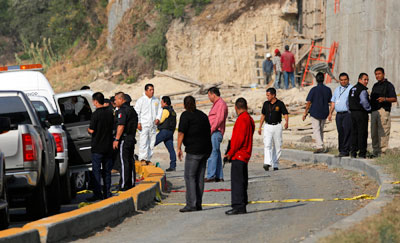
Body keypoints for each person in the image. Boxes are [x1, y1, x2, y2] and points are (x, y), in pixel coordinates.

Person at [177, 96, 212, 212]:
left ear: (184, 105)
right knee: (200, 177)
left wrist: (178, 148)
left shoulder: (185, 115)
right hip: (205, 149)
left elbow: (181, 133)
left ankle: (191, 204)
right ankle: (198, 203)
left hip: (194, 151)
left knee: (190, 176)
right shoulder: (202, 115)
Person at [224, 98, 255, 215]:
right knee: (242, 181)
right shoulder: (250, 119)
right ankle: (242, 203)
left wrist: (229, 153)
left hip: (239, 155)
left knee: (237, 182)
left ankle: (238, 206)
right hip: (245, 154)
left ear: (236, 108)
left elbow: (238, 140)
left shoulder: (242, 119)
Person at [87, 92, 114, 201]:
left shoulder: (95, 114)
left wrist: (88, 130)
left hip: (97, 147)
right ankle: (107, 192)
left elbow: (92, 130)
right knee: (107, 171)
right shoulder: (109, 113)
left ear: (95, 101)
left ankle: (97, 193)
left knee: (96, 171)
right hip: (108, 146)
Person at [258, 88, 289, 171]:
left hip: (277, 126)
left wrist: (286, 122)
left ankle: (275, 164)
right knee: (267, 144)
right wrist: (260, 127)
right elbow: (263, 115)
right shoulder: (265, 104)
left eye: (268, 95)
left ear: (273, 95)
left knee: (277, 145)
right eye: (266, 95)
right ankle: (267, 163)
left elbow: (285, 113)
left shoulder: (280, 104)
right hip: (267, 126)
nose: (267, 97)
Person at [113, 92, 138, 191]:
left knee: (124, 162)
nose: (115, 102)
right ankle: (131, 182)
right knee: (130, 160)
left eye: (116, 100)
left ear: (121, 99)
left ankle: (123, 184)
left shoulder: (122, 111)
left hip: (124, 138)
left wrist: (116, 139)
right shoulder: (132, 110)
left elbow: (121, 125)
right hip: (131, 138)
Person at [370, 67, 397, 157]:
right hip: (374, 111)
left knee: (383, 132)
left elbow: (394, 99)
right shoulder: (375, 85)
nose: (377, 76)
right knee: (374, 132)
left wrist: (384, 99)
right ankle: (375, 151)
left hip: (383, 111)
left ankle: (383, 153)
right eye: (376, 74)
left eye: (379, 74)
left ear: (383, 74)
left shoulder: (389, 85)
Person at [303, 72, 332, 153]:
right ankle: (320, 145)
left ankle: (320, 146)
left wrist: (305, 112)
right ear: (323, 79)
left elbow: (308, 102)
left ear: (316, 79)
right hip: (324, 112)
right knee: (321, 129)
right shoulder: (328, 90)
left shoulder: (313, 89)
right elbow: (330, 101)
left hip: (315, 112)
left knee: (316, 130)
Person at [205, 87, 228, 183]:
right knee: (217, 154)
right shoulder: (216, 104)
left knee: (212, 153)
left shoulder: (221, 104)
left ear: (213, 94)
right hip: (214, 131)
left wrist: (211, 129)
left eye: (209, 96)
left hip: (216, 132)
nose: (209, 98)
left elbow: (219, 119)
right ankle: (219, 176)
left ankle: (211, 175)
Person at [134, 84, 162, 164]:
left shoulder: (156, 100)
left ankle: (148, 159)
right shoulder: (141, 100)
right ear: (146, 91)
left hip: (153, 125)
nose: (152, 91)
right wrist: (138, 122)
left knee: (151, 142)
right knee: (143, 142)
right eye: (150, 90)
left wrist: (158, 118)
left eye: (153, 89)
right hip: (144, 124)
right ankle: (142, 159)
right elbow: (137, 112)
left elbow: (160, 110)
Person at [328, 72, 353, 157]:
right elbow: (333, 102)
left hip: (347, 113)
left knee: (347, 131)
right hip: (339, 114)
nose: (343, 81)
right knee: (340, 132)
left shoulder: (351, 88)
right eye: (341, 80)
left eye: (345, 80)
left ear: (348, 80)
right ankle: (341, 149)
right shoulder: (337, 89)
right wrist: (330, 113)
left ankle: (346, 150)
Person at [349, 73, 371, 158]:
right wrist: (369, 109)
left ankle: (353, 152)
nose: (366, 81)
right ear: (359, 80)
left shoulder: (352, 89)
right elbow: (364, 102)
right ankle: (362, 153)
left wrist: (351, 111)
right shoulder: (362, 90)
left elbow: (348, 103)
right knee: (362, 133)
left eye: (367, 80)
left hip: (353, 114)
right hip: (361, 113)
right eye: (365, 79)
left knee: (354, 133)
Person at [154, 96, 177, 172]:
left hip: (164, 132)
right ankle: (173, 166)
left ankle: (143, 158)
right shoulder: (173, 111)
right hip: (170, 132)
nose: (161, 103)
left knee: (151, 144)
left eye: (161, 102)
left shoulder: (165, 111)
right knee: (171, 150)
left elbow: (160, 120)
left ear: (165, 102)